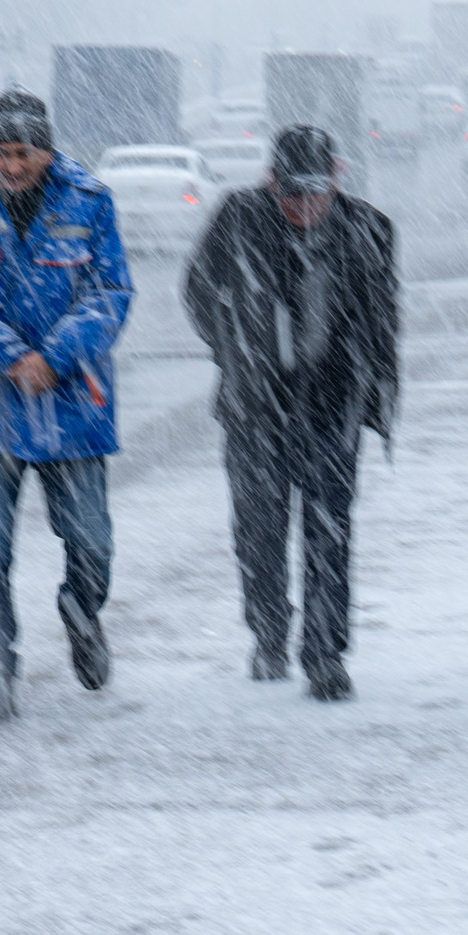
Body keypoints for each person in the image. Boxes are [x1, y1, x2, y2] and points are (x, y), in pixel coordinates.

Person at [0, 88, 134, 723]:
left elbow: (111, 293)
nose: (10, 167)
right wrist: (11, 356)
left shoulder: (88, 200)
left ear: (47, 152)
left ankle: (81, 608)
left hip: (73, 406)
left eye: (23, 154)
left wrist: (56, 356)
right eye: (1, 153)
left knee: (92, 541)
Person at [183, 125, 399, 702]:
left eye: (316, 191)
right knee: (259, 531)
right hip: (256, 406)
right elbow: (198, 289)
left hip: (333, 404)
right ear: (271, 181)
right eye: (292, 192)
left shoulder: (368, 230)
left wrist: (377, 390)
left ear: (337, 180)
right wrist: (233, 349)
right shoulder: (239, 219)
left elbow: (383, 319)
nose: (304, 204)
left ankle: (326, 654)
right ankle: (270, 634)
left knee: (329, 532)